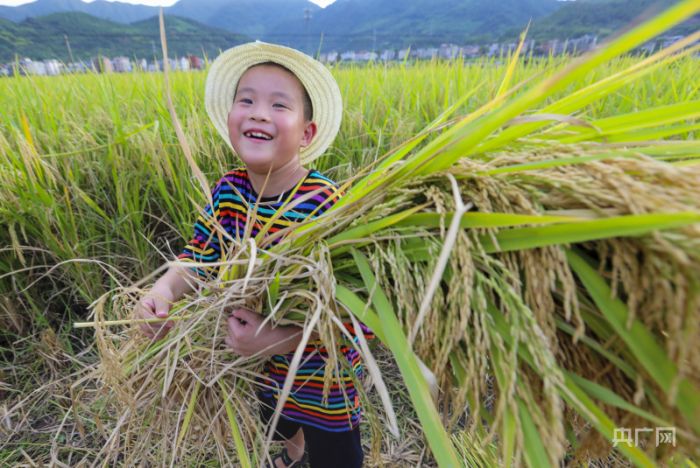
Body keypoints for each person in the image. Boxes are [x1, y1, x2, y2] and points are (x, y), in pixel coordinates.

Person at [135, 42, 369, 468]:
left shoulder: (326, 206)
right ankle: (290, 453)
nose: (259, 112)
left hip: (325, 385)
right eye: (246, 100)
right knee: (276, 424)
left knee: (336, 456)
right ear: (230, 120)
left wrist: (274, 340)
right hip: (259, 375)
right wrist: (164, 290)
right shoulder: (228, 192)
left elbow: (360, 318)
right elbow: (198, 256)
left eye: (279, 105)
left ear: (306, 134)